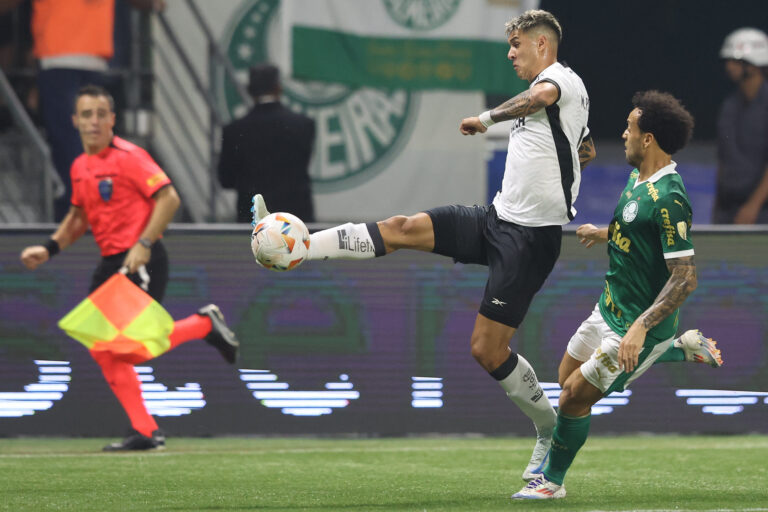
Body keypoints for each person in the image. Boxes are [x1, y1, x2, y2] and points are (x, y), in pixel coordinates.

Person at [252, 9, 595, 482]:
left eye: (517, 45)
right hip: (496, 220)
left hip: (530, 241)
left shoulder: (558, 82)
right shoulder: (561, 102)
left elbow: (540, 98)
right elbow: (586, 149)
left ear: (542, 45)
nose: (511, 53)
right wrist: (566, 163)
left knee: (486, 350)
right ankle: (301, 246)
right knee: (401, 227)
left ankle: (547, 427)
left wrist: (486, 118)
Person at [20, 84, 239, 451]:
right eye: (86, 115)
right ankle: (146, 429)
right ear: (74, 120)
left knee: (126, 348)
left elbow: (169, 198)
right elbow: (78, 217)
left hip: (142, 259)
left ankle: (202, 326)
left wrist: (144, 243)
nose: (93, 122)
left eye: (100, 114)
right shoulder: (79, 166)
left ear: (112, 119)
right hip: (111, 263)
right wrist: (49, 247)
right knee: (104, 348)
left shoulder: (129, 157)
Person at [511, 91, 703, 499]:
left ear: (647, 138)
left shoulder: (669, 197)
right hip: (608, 308)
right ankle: (677, 348)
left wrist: (639, 327)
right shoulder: (638, 177)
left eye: (630, 129)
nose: (624, 135)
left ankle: (552, 483)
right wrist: (605, 233)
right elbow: (638, 232)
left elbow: (685, 278)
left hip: (637, 327)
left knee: (574, 400)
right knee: (565, 384)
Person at [0, 0, 163, 220]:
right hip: (95, 53)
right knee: (90, 136)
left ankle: (79, 206)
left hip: (58, 51)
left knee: (67, 138)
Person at [219, 63, 315, 223]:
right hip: (296, 219)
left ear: (249, 90)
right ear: (279, 88)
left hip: (253, 221)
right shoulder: (304, 125)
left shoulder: (234, 130)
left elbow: (226, 180)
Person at [713, 27, 768, 224]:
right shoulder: (729, 105)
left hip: (760, 212)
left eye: (735, 61)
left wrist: (753, 206)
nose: (729, 66)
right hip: (727, 209)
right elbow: (723, 158)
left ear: (753, 65)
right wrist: (717, 206)